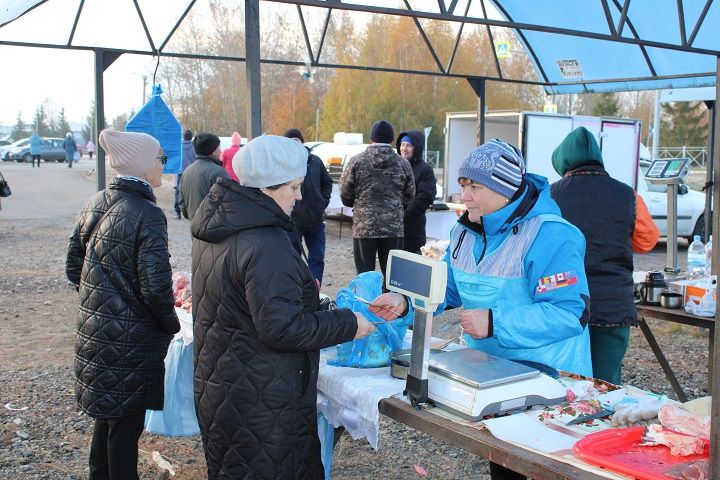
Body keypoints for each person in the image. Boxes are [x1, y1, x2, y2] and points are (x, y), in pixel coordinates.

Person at [370, 139, 592, 480]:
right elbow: (449, 287)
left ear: (505, 190)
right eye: (463, 185)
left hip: (548, 380)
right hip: (492, 377)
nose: (465, 196)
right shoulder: (465, 231)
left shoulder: (551, 235)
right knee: (504, 462)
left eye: (475, 186)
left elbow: (569, 314)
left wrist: (495, 321)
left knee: (548, 467)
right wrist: (403, 302)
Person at [190, 135, 375, 480]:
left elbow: (251, 306)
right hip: (262, 403)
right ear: (268, 187)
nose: (300, 196)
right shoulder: (263, 242)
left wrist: (318, 306)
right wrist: (350, 323)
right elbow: (281, 327)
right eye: (294, 187)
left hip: (230, 390)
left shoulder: (224, 228)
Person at [65, 128, 180, 480]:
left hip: (96, 334)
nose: (164, 165)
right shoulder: (147, 213)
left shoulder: (96, 200)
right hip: (129, 341)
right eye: (161, 159)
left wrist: (103, 298)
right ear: (145, 167)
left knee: (108, 418)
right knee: (125, 429)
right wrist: (172, 325)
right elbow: (156, 288)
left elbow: (73, 268)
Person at [551, 127, 659, 385]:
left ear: (562, 160)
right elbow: (648, 241)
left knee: (562, 381)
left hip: (563, 302)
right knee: (606, 383)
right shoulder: (628, 195)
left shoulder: (550, 196)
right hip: (613, 305)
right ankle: (606, 424)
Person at [339, 120, 415, 278]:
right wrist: (396, 209)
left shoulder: (356, 161)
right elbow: (410, 194)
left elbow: (345, 191)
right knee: (393, 278)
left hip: (364, 226)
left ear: (371, 139)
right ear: (392, 140)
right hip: (393, 228)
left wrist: (356, 205)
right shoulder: (403, 163)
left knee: (364, 277)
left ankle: (366, 302)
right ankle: (391, 303)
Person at [283, 127, 333, 286]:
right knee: (291, 259)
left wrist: (322, 203)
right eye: (290, 142)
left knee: (317, 258)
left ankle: (314, 289)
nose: (294, 144)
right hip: (292, 222)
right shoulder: (282, 163)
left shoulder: (315, 161)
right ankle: (295, 289)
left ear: (302, 142)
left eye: (296, 140)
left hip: (315, 220)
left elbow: (327, 182)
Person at [395, 130, 437, 254]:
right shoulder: (394, 166)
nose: (404, 148)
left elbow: (425, 196)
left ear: (416, 148)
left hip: (413, 229)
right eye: (402, 145)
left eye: (409, 145)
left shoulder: (425, 170)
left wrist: (404, 216)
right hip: (392, 227)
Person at [178, 132, 228, 221]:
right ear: (212, 151)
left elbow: (181, 202)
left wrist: (192, 217)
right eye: (219, 147)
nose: (220, 151)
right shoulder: (219, 172)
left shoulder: (187, 171)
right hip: (217, 228)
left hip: (195, 227)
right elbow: (228, 202)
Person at [174, 129, 196, 219]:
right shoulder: (195, 147)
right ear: (191, 137)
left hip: (180, 172)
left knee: (178, 191)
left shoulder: (179, 147)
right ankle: (191, 211)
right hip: (191, 172)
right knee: (191, 191)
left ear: (183, 136)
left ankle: (178, 211)